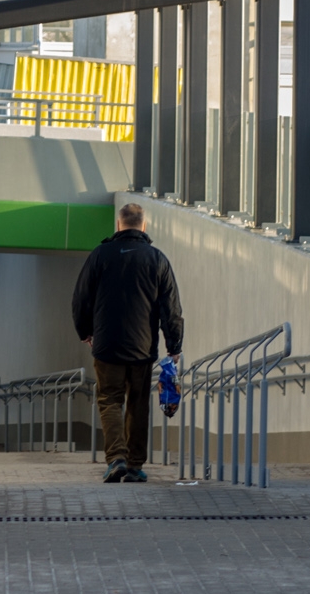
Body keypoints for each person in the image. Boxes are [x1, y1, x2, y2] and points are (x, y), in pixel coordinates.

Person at [71, 202, 184, 484]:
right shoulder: (157, 259)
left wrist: (85, 331)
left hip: (106, 344)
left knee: (110, 400)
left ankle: (116, 459)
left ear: (118, 225)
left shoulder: (100, 255)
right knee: (137, 403)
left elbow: (81, 298)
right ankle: (134, 465)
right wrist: (174, 345)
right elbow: (171, 308)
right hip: (143, 347)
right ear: (143, 226)